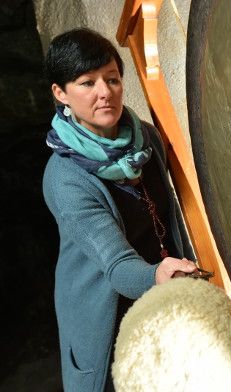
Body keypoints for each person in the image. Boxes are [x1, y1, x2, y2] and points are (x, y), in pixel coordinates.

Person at [42, 28, 199, 392]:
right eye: (87, 83)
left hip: (166, 300)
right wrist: (156, 277)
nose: (104, 92)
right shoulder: (65, 178)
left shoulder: (145, 136)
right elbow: (116, 266)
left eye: (112, 79)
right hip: (111, 323)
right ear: (60, 93)